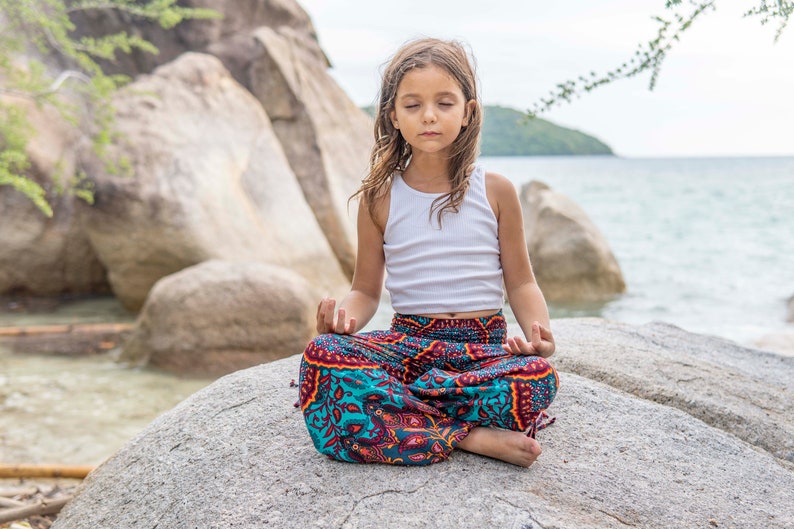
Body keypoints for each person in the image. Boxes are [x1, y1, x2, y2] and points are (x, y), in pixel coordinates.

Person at [298, 37, 558, 468]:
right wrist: (344, 321)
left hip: (481, 350)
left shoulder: (495, 191)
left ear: (468, 112)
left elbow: (521, 281)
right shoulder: (379, 197)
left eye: (444, 102)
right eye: (413, 105)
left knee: (537, 379)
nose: (430, 116)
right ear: (393, 116)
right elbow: (365, 290)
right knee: (322, 355)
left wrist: (538, 332)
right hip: (408, 344)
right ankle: (468, 436)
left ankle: (401, 413)